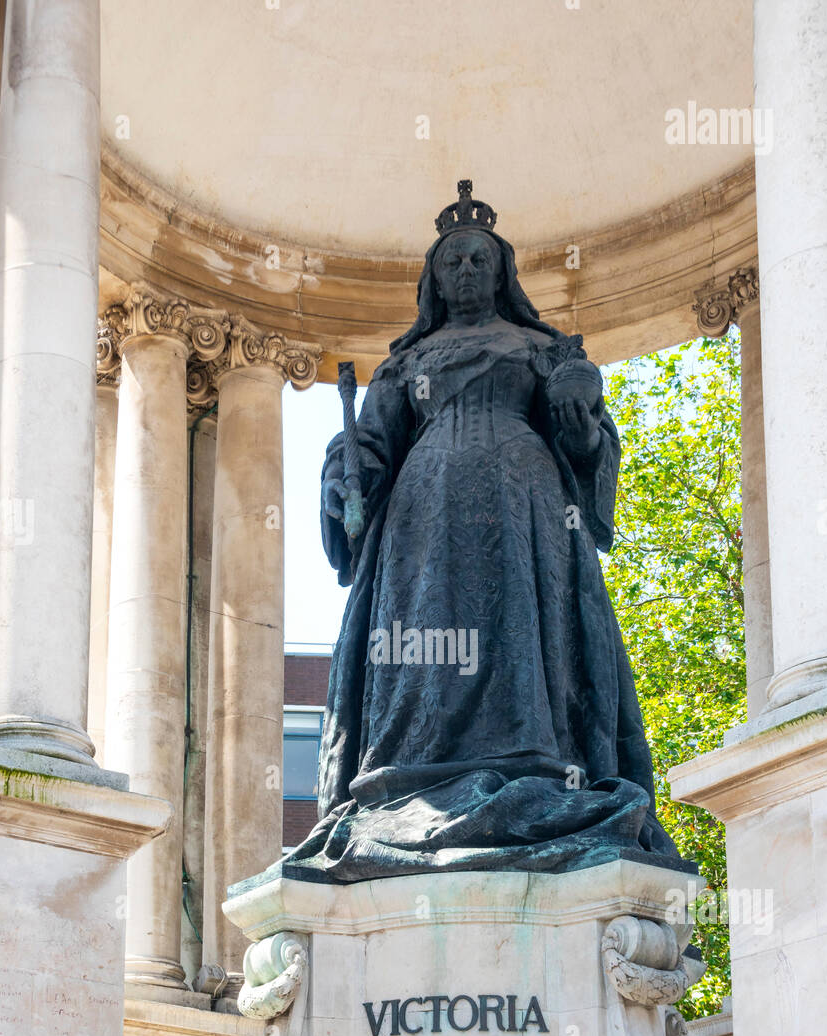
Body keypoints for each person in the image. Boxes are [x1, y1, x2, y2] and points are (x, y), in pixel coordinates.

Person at [279, 182, 690, 883]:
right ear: (433, 281)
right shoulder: (405, 363)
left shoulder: (545, 348)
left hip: (526, 508)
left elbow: (589, 449)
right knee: (423, 632)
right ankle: (411, 775)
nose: (465, 273)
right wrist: (347, 466)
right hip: (423, 517)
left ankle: (535, 759)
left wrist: (578, 415)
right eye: (452, 264)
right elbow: (373, 441)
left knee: (523, 631)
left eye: (477, 261)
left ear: (501, 273)